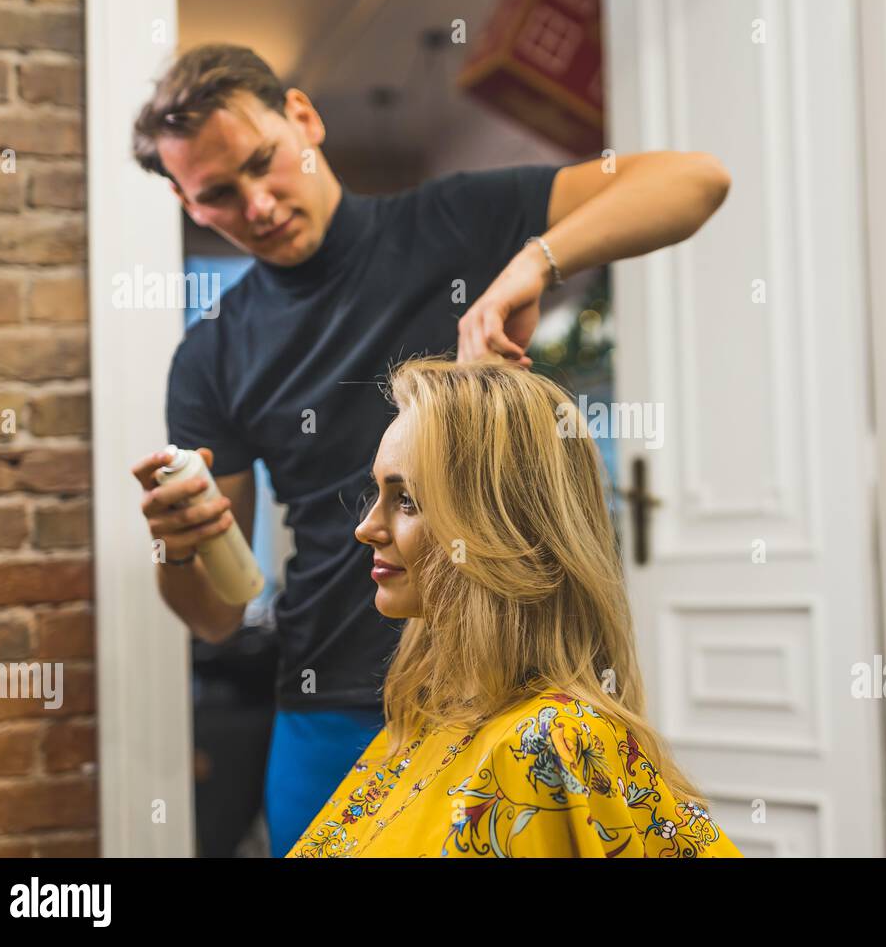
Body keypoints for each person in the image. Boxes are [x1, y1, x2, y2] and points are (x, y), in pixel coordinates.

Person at [126, 44, 731, 856]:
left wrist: (534, 261)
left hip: (499, 683)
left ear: (303, 117)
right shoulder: (212, 358)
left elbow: (696, 180)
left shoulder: (452, 224)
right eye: (219, 197)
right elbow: (219, 613)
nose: (259, 204)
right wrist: (178, 546)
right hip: (330, 699)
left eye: (264, 163)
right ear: (184, 202)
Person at [288, 358, 742, 857]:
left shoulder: (555, 740)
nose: (366, 527)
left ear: (496, 526)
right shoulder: (427, 717)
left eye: (409, 500)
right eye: (378, 493)